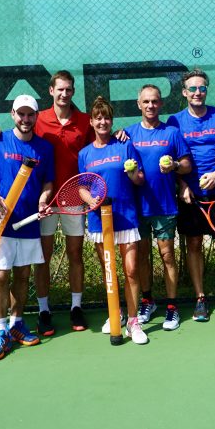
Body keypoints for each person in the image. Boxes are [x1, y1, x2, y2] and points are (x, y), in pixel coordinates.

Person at [0, 70, 94, 335]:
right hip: (42, 204)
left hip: (73, 198)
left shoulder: (84, 121)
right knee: (42, 259)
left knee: (75, 254)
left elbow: (100, 143)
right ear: (51, 91)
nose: (64, 93)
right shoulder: (39, 119)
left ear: (72, 91)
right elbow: (15, 138)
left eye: (69, 89)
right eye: (60, 89)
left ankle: (75, 307)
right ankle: (44, 310)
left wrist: (120, 136)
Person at [0, 95, 55, 359]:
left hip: (28, 223)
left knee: (23, 276)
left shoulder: (44, 149)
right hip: (0, 224)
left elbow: (48, 182)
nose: (26, 120)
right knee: (1, 276)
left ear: (36, 117)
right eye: (21, 114)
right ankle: (0, 331)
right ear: (12, 114)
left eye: (30, 115)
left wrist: (44, 198)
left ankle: (16, 324)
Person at [78, 96, 148, 344]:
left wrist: (132, 174)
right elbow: (82, 187)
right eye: (98, 118)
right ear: (91, 122)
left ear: (111, 120)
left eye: (106, 117)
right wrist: (91, 202)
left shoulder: (125, 145)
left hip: (126, 216)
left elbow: (139, 179)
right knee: (110, 272)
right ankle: (114, 313)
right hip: (100, 221)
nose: (103, 122)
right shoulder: (85, 154)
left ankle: (133, 321)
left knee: (130, 270)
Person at [167, 68, 215, 322]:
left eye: (202, 88)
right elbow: (171, 158)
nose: (197, 92)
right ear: (184, 93)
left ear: (206, 90)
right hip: (191, 196)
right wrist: (182, 183)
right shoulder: (175, 122)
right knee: (194, 244)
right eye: (192, 89)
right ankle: (200, 298)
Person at [125, 84, 192, 330]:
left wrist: (174, 165)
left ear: (160, 104)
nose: (151, 106)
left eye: (155, 101)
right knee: (142, 256)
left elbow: (187, 165)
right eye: (146, 102)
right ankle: (147, 300)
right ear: (139, 104)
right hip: (138, 207)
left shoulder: (172, 133)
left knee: (167, 257)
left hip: (164, 206)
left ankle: (172, 307)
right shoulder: (128, 134)